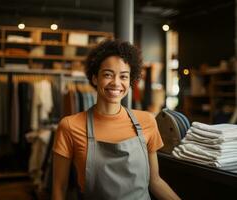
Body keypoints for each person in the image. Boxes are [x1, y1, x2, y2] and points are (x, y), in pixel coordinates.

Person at [52, 39, 181, 200]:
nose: (116, 83)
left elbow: (155, 181)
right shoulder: (70, 126)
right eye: (108, 74)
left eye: (124, 77)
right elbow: (59, 188)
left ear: (130, 80)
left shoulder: (147, 121)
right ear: (94, 78)